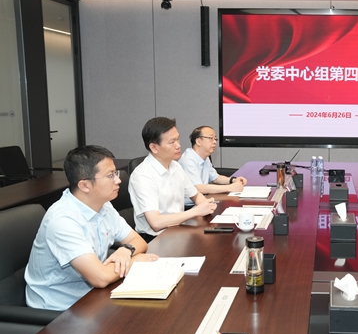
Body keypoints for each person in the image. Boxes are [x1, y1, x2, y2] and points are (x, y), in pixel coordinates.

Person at [24, 145, 158, 311]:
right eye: (110, 175)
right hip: (59, 309)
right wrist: (133, 261)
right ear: (85, 185)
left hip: (92, 295)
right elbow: (100, 278)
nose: (118, 180)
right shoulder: (63, 220)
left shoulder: (103, 205)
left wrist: (126, 250)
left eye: (115, 173)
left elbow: (138, 241)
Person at [128, 117, 217, 241]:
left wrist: (206, 206)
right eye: (171, 142)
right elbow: (156, 223)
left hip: (179, 232)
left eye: (178, 139)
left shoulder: (176, 166)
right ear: (154, 148)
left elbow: (195, 195)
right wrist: (196, 211)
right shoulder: (142, 175)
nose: (178, 145)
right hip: (155, 240)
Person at [178, 125, 248, 206]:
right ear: (198, 141)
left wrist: (233, 180)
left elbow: (216, 178)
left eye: (215, 139)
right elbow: (198, 188)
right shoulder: (188, 160)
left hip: (202, 201)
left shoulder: (204, 157)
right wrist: (230, 188)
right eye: (210, 138)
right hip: (188, 206)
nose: (214, 142)